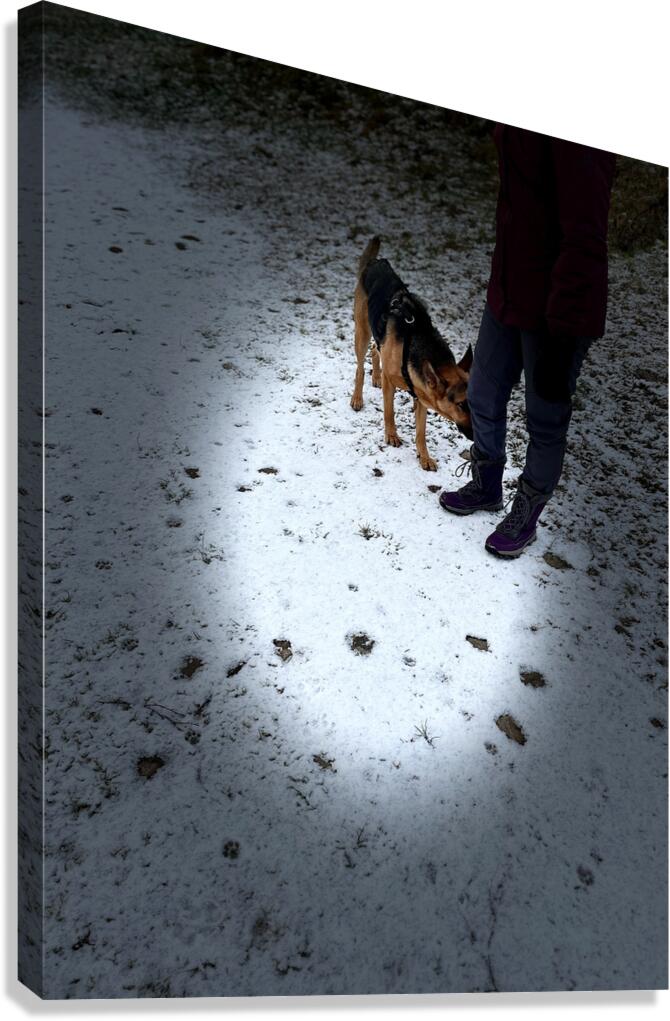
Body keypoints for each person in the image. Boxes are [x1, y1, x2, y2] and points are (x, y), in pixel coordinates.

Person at [439, 125, 616, 557]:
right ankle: (486, 485)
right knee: (481, 392)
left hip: (558, 309)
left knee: (544, 417)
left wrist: (564, 329)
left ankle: (527, 511)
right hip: (510, 289)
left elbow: (585, 234)